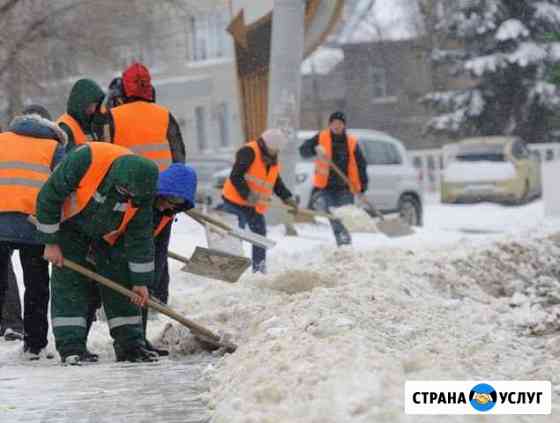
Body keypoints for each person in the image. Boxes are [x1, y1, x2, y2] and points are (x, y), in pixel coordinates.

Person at [36, 142, 160, 365]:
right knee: (70, 287)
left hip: (110, 236)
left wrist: (141, 282)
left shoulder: (142, 189)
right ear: (117, 178)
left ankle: (131, 346)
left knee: (123, 286)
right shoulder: (86, 159)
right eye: (124, 193)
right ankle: (72, 348)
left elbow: (140, 237)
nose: (128, 199)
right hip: (71, 228)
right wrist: (50, 242)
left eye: (133, 197)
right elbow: (49, 196)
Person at [99, 63, 186, 305]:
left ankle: (126, 301)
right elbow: (179, 157)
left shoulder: (112, 118)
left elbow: (104, 157)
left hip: (128, 196)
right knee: (157, 248)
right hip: (163, 196)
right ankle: (157, 298)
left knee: (126, 250)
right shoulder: (164, 115)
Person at [0, 108, 66, 359]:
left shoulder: (2, 139)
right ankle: (35, 344)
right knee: (36, 284)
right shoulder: (53, 147)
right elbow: (63, 188)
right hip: (34, 224)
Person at [222, 129, 297, 273]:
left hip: (254, 206)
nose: (277, 152)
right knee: (233, 236)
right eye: (275, 149)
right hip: (234, 202)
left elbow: (276, 183)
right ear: (266, 145)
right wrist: (247, 194)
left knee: (259, 237)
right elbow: (236, 176)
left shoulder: (272, 160)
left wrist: (287, 199)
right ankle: (227, 269)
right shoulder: (249, 152)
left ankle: (259, 270)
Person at [299, 111, 368, 246]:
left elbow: (361, 165)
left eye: (340, 123)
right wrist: (314, 149)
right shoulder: (321, 137)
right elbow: (303, 151)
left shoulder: (352, 142)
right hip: (327, 187)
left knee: (345, 217)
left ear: (344, 126)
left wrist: (363, 188)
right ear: (330, 124)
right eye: (334, 123)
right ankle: (342, 244)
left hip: (345, 187)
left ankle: (345, 243)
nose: (337, 126)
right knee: (334, 217)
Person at [56, 79, 105, 153]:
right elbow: (65, 160)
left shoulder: (92, 121)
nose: (93, 109)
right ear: (81, 104)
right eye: (90, 105)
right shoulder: (64, 127)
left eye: (96, 105)